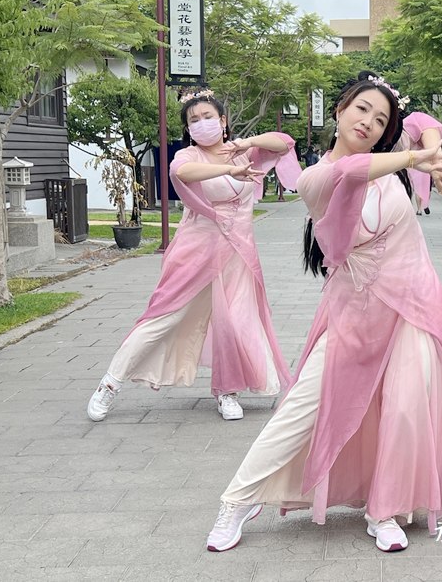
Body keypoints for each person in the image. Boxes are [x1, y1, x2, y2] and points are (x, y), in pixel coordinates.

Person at [206, 71, 442, 554]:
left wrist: (431, 154)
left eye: (380, 118)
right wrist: (417, 158)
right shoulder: (316, 178)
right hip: (354, 313)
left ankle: (385, 510)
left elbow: (424, 119)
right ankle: (237, 499)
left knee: (405, 409)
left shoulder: (386, 158)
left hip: (414, 305)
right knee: (301, 410)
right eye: (361, 110)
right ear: (338, 111)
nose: (369, 123)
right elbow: (350, 172)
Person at [86, 90, 300, 422]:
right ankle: (109, 385)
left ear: (223, 120)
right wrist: (228, 171)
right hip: (196, 251)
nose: (201, 124)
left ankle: (227, 392)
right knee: (163, 317)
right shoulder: (189, 156)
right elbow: (180, 175)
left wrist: (245, 144)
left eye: (207, 117)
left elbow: (284, 142)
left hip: (237, 253)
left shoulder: (242, 151)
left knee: (237, 322)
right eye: (193, 120)